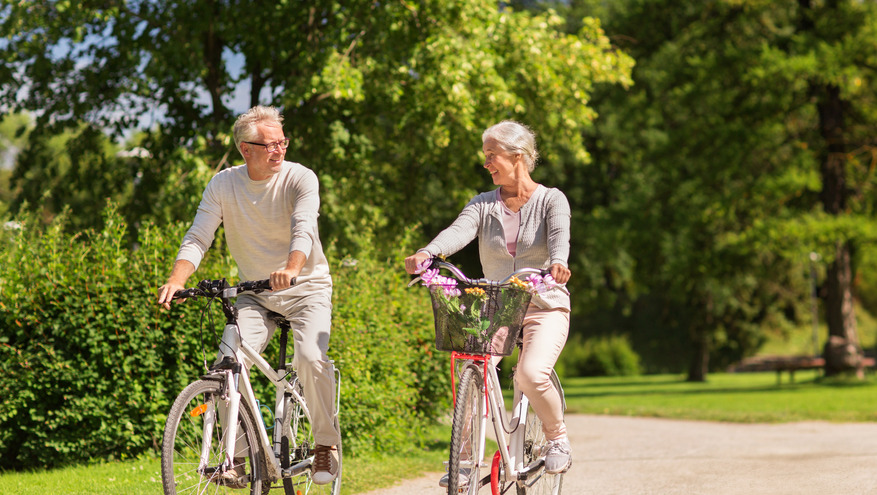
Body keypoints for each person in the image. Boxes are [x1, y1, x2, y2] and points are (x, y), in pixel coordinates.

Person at [157, 105, 340, 486]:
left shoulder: (300, 178)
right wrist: (177, 278)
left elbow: (304, 227)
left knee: (309, 357)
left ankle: (326, 443)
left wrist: (292, 267)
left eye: (282, 142)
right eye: (269, 144)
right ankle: (236, 458)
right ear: (246, 149)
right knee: (228, 363)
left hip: (306, 289)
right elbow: (198, 235)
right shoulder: (224, 184)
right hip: (255, 294)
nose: (279, 150)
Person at [404, 120, 573, 486]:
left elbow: (560, 237)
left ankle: (557, 438)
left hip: (545, 303)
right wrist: (427, 252)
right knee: (472, 369)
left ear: (518, 157)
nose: (487, 164)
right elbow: (458, 231)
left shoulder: (551, 200)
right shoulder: (482, 204)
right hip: (498, 306)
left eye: (492, 156)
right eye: (486, 157)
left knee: (530, 375)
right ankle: (465, 462)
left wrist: (558, 263)